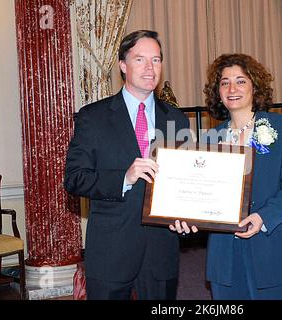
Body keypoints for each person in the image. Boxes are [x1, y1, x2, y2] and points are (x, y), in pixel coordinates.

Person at [64, 30, 193, 299]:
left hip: (161, 251)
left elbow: (185, 183)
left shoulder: (177, 120)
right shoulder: (93, 117)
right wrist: (125, 177)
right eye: (140, 60)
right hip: (111, 251)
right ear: (123, 65)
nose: (150, 68)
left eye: (156, 60)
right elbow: (75, 178)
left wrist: (186, 215)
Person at [202, 53, 282, 299]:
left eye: (240, 81)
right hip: (225, 252)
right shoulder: (210, 138)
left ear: (255, 86)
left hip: (274, 244)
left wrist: (263, 217)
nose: (232, 88)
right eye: (224, 82)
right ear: (217, 91)